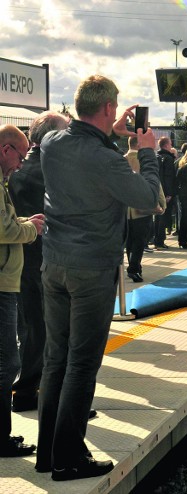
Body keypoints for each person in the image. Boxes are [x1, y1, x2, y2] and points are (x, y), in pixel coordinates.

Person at [36, 74, 160, 481]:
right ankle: (70, 457)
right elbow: (146, 198)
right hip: (91, 269)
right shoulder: (105, 159)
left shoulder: (53, 144)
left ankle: (49, 453)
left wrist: (112, 135)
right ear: (109, 108)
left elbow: (83, 146)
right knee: (82, 364)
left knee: (56, 359)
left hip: (54, 264)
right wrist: (147, 152)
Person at [8, 112, 68, 413]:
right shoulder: (45, 170)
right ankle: (29, 390)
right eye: (64, 134)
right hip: (39, 260)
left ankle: (32, 389)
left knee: (32, 328)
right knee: (41, 329)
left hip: (23, 260)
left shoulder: (19, 169)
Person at [0, 124, 45, 457]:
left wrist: (23, 223)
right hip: (2, 283)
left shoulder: (4, 182)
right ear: (6, 149)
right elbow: (3, 228)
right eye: (21, 154)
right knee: (8, 362)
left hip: (8, 280)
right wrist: (31, 228)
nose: (21, 163)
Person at [125, 136, 166, 282]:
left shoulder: (121, 159)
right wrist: (161, 203)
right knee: (140, 239)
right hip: (142, 205)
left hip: (124, 209)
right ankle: (134, 268)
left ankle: (133, 265)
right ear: (140, 144)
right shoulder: (144, 160)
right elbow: (154, 182)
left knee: (129, 240)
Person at [153, 136, 176, 249]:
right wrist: (169, 193)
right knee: (163, 216)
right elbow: (169, 177)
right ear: (166, 145)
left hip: (156, 189)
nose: (171, 146)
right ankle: (160, 241)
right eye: (170, 144)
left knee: (157, 216)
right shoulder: (168, 159)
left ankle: (156, 238)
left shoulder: (156, 157)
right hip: (165, 191)